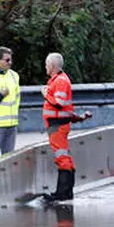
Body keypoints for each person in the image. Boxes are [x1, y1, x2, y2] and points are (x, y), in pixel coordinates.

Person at [41, 52, 90, 201]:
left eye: (46, 64)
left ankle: (63, 193)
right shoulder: (59, 80)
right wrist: (78, 118)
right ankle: (64, 192)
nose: (45, 67)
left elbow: (59, 103)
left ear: (52, 66)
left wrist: (45, 94)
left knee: (62, 158)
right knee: (63, 156)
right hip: (58, 124)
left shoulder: (60, 81)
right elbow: (66, 108)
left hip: (57, 126)